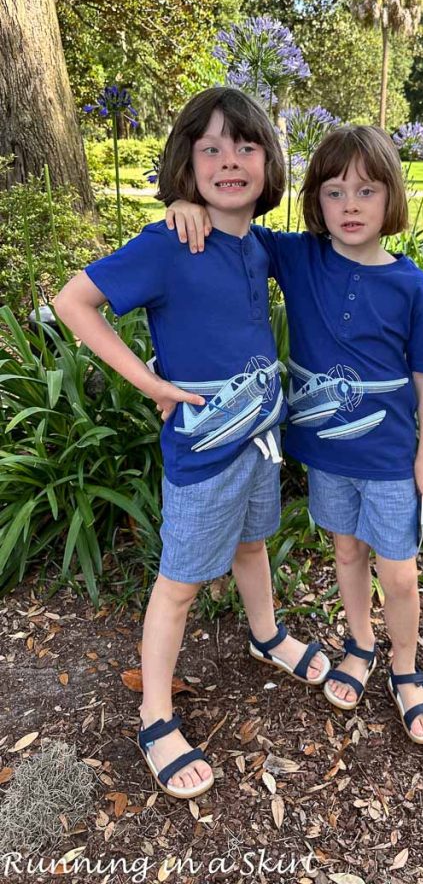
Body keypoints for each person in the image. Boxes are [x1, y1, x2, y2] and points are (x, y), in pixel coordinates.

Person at [54, 88, 330, 800]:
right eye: (209, 148)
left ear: (269, 163)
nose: (228, 160)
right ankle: (154, 715)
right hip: (202, 448)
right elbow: (72, 302)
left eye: (245, 146)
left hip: (258, 439)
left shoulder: (257, 243)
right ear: (186, 161)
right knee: (179, 585)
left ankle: (265, 636)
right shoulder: (169, 242)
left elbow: (337, 240)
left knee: (251, 545)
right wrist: (147, 383)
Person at [167, 125, 423, 744]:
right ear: (315, 203)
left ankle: (406, 669)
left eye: (366, 191)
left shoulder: (410, 285)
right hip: (326, 456)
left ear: (390, 200)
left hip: (390, 459)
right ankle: (360, 646)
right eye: (333, 192)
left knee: (399, 573)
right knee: (347, 553)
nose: (350, 206)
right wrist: (187, 202)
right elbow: (232, 225)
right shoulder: (299, 258)